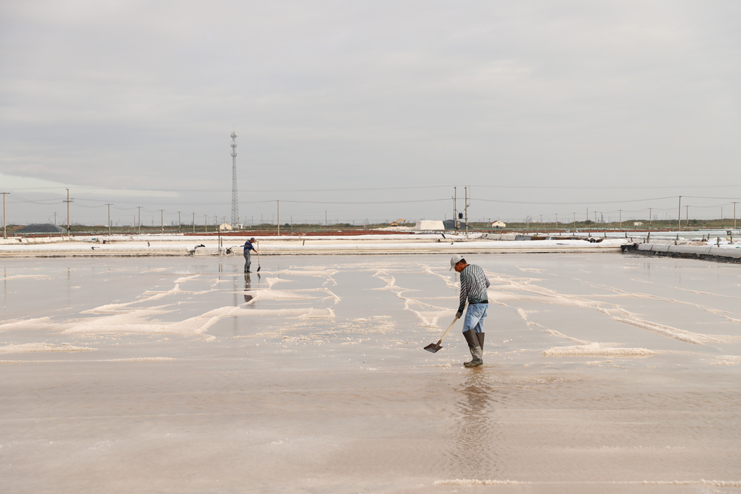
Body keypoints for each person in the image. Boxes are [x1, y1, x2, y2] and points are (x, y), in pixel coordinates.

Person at [450, 254, 490, 368]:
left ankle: (477, 359)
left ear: (460, 264)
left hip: (475, 305)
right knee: (477, 331)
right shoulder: (478, 267)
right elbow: (487, 283)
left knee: (467, 329)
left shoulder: (464, 273)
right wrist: (478, 290)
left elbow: (463, 293)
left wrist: (460, 309)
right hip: (485, 304)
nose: (455, 270)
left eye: (455, 267)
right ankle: (478, 358)